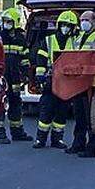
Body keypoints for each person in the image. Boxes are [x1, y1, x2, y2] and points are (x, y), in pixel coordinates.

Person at [66, 10, 95, 158]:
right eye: (82, 20)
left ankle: (92, 148)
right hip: (78, 83)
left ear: (94, 22)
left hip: (93, 84)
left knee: (92, 117)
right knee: (79, 117)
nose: (83, 22)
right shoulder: (76, 38)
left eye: (87, 20)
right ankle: (78, 144)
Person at [32, 11, 79, 149]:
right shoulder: (48, 40)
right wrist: (40, 76)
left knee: (62, 112)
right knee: (46, 110)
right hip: (50, 81)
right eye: (64, 25)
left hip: (66, 83)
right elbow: (40, 59)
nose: (66, 28)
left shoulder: (75, 42)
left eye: (69, 26)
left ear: (73, 28)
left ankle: (57, 140)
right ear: (59, 25)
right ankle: (40, 139)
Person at [0, 7, 32, 143]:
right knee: (1, 105)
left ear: (15, 22)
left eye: (9, 21)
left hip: (15, 78)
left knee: (16, 103)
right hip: (1, 77)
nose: (6, 24)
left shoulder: (20, 40)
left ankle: (17, 132)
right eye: (4, 21)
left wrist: (25, 75)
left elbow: (25, 59)